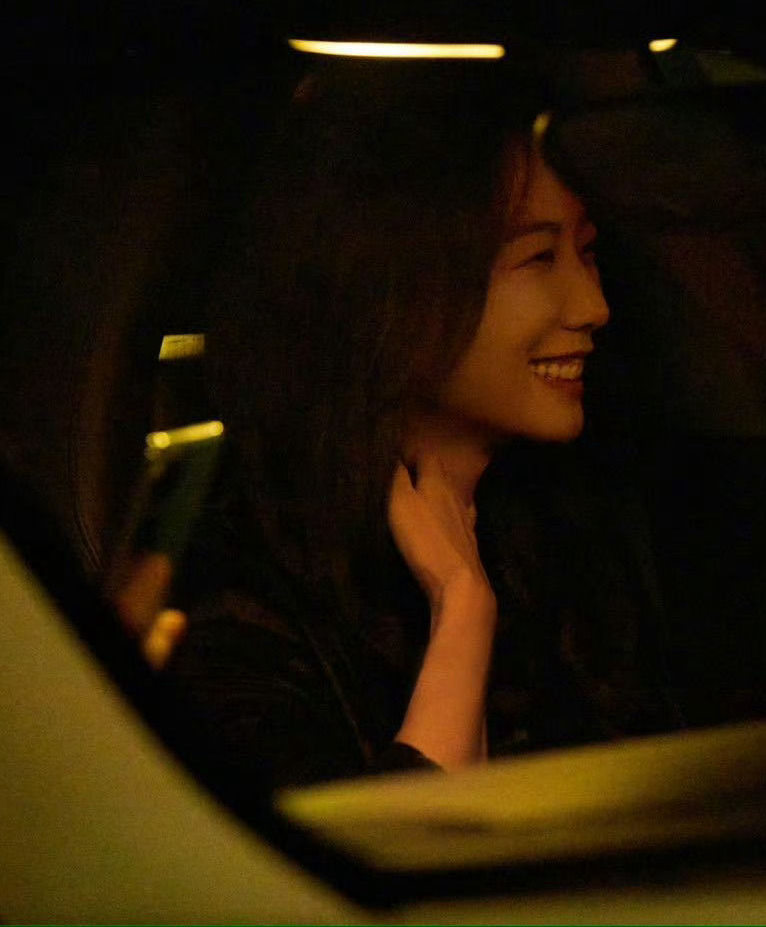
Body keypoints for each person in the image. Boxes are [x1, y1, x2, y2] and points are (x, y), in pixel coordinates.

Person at [163, 66, 678, 789]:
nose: (593, 305)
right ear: (391, 288)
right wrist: (462, 614)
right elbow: (367, 849)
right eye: (538, 258)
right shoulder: (243, 585)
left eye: (587, 251)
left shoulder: (572, 515)